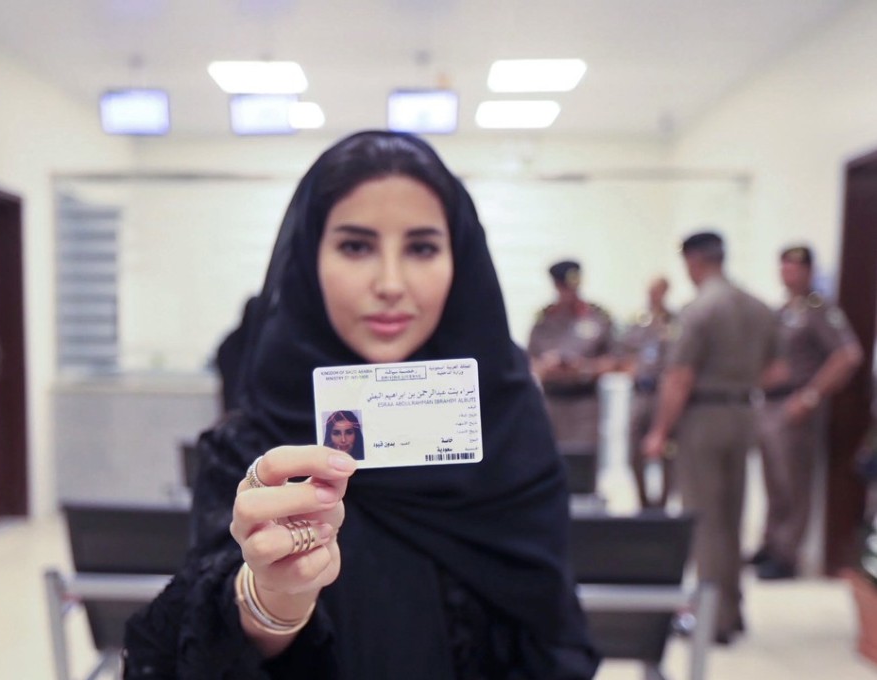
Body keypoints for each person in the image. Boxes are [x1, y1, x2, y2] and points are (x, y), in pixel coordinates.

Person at [123, 131, 599, 679]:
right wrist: (269, 599)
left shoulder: (509, 425)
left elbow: (552, 628)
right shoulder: (255, 446)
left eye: (422, 248)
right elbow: (192, 649)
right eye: (355, 246)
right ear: (309, 257)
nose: (390, 283)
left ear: (460, 258)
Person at [642, 231, 780, 645]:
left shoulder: (699, 309)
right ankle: (732, 608)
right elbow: (778, 370)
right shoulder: (758, 307)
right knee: (732, 517)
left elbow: (680, 376)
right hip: (744, 413)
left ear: (694, 260)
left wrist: (660, 430)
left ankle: (712, 618)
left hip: (703, 417)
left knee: (704, 520)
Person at [751, 245, 862, 580]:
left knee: (793, 483)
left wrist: (811, 395)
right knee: (773, 480)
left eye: (795, 268)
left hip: (795, 405)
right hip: (769, 403)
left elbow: (848, 355)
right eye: (784, 267)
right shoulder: (783, 310)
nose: (788, 274)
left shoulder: (819, 309)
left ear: (809, 272)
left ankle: (787, 553)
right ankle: (770, 544)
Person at [527, 260, 615, 450]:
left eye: (573, 287)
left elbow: (616, 362)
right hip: (552, 403)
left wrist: (583, 368)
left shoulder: (597, 318)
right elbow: (530, 361)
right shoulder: (544, 320)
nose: (570, 293)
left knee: (582, 459)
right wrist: (547, 366)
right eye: (564, 287)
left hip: (585, 405)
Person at [618, 276, 677, 509]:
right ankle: (643, 501)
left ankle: (663, 502)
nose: (654, 295)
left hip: (664, 393)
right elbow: (621, 353)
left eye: (658, 291)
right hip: (641, 392)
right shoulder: (637, 322)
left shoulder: (675, 322)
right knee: (634, 446)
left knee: (668, 449)